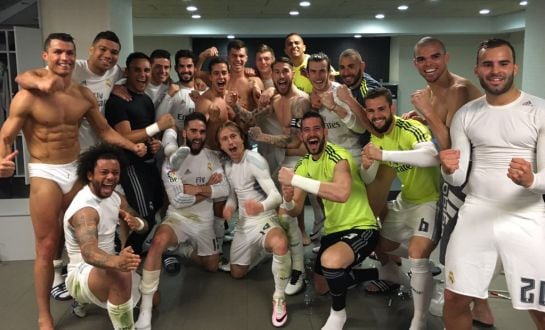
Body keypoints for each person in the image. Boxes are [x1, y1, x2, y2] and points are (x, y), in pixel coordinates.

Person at [0, 33, 146, 330]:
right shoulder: (29, 95)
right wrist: (3, 159)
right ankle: (44, 315)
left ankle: (85, 288)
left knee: (87, 235)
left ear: (75, 56)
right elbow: (5, 135)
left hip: (77, 168)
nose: (64, 58)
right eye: (57, 52)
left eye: (69, 53)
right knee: (47, 244)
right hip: (46, 171)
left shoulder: (82, 94)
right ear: (46, 55)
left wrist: (132, 146)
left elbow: (104, 131)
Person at [439, 38, 545, 330]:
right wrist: (448, 170)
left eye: (503, 63)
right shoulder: (467, 114)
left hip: (526, 216)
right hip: (476, 213)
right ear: (477, 69)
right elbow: (458, 178)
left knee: (539, 305)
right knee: (455, 298)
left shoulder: (539, 110)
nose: (495, 70)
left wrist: (531, 179)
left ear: (514, 67)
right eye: (488, 64)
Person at [278, 111, 390, 330]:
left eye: (316, 129)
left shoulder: (339, 156)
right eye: (307, 130)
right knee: (321, 285)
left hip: (361, 227)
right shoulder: (303, 165)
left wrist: (296, 179)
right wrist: (289, 200)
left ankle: (339, 314)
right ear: (302, 136)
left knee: (331, 262)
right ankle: (382, 273)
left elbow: (342, 192)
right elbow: (296, 209)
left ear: (325, 132)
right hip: (334, 230)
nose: (312, 134)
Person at [410, 36, 492, 327]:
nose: (428, 64)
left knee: (457, 245)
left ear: (446, 58)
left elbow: (452, 152)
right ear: (415, 63)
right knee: (456, 242)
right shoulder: (432, 92)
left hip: (469, 180)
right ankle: (481, 309)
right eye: (422, 59)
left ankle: (459, 297)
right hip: (453, 181)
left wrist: (428, 113)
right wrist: (424, 119)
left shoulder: (459, 90)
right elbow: (442, 131)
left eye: (434, 57)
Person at [135, 112, 229, 330]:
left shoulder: (213, 157)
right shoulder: (171, 161)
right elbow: (178, 198)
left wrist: (193, 189)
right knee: (157, 243)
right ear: (184, 132)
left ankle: (181, 250)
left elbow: (223, 190)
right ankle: (146, 309)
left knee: (212, 266)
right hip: (178, 216)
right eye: (193, 131)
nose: (198, 136)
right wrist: (207, 188)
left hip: (204, 220)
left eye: (202, 132)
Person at [360, 87, 440, 330]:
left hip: (430, 200)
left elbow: (431, 157)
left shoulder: (411, 128)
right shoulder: (377, 137)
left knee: (416, 253)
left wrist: (382, 154)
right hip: (406, 199)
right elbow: (369, 176)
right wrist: (367, 165)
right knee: (375, 241)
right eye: (371, 111)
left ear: (391, 108)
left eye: (381, 109)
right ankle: (415, 272)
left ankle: (419, 318)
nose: (376, 115)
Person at [64, 143, 146, 330]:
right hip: (81, 273)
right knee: (121, 274)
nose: (111, 177)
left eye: (115, 173)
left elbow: (143, 225)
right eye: (104, 172)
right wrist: (118, 262)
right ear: (90, 174)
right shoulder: (85, 211)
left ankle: (84, 301)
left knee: (154, 299)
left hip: (107, 265)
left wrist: (137, 223)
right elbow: (89, 252)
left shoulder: (116, 198)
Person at [217, 121, 291, 327]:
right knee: (236, 273)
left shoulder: (255, 160)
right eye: (225, 139)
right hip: (243, 224)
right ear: (221, 146)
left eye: (233, 136)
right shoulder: (228, 166)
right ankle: (262, 254)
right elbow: (233, 196)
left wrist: (260, 206)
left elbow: (276, 196)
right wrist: (230, 207)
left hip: (263, 218)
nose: (230, 142)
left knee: (280, 244)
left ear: (242, 138)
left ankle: (279, 297)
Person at [249, 57, 311, 295]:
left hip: (304, 159)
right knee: (283, 212)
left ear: (292, 73)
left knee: (288, 213)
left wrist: (262, 137)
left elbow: (294, 140)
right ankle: (290, 260)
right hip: (287, 161)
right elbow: (252, 118)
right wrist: (233, 106)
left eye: (285, 71)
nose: (281, 75)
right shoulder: (273, 98)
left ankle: (298, 269)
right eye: (277, 72)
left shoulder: (301, 102)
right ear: (272, 76)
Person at [105, 52, 175, 255]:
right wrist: (157, 126)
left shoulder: (144, 100)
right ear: (127, 72)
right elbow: (124, 135)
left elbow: (145, 133)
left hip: (148, 163)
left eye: (146, 70)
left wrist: (154, 144)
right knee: (146, 217)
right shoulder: (117, 101)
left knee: (158, 206)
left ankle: (132, 251)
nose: (143, 75)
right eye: (137, 70)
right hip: (130, 165)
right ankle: (125, 256)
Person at [196, 57, 236, 151]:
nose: (221, 77)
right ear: (210, 77)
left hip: (232, 153)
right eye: (216, 73)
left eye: (224, 73)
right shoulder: (205, 101)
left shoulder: (232, 97)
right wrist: (209, 119)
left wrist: (235, 116)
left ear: (229, 76)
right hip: (213, 154)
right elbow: (198, 130)